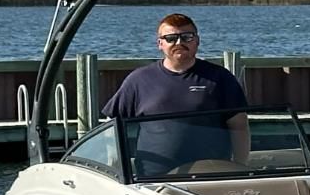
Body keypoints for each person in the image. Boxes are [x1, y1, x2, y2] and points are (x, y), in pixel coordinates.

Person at [102, 13, 249, 171]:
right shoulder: (139, 80)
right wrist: (115, 166)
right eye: (171, 38)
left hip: (208, 176)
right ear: (160, 43)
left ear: (197, 41)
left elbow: (239, 127)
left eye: (187, 37)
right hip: (152, 181)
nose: (179, 43)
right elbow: (111, 127)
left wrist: (240, 168)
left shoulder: (220, 78)